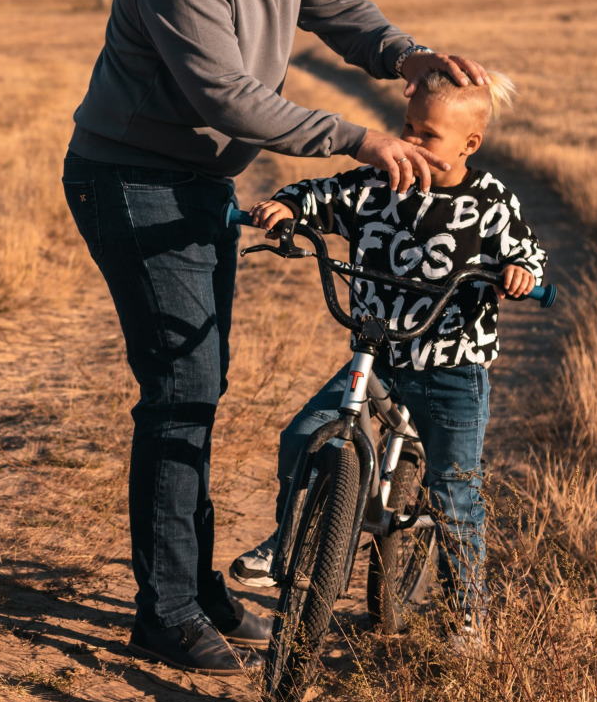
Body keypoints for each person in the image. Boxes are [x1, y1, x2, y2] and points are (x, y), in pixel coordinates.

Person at [62, 0, 493, 676]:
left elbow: (339, 8)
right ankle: (167, 611)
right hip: (129, 179)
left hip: (197, 181)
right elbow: (227, 97)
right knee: (182, 388)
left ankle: (191, 584)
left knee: (201, 383)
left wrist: (405, 56)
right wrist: (356, 137)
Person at [231, 70, 547, 650]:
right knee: (302, 434)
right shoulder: (382, 183)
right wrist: (284, 207)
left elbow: (527, 252)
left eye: (427, 135)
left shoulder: (490, 203)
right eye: (407, 127)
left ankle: (466, 612)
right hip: (375, 354)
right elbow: (322, 196)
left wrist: (521, 274)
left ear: (468, 146)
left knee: (456, 488)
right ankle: (286, 539)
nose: (411, 142)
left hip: (452, 363)